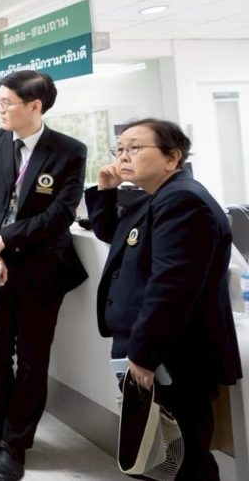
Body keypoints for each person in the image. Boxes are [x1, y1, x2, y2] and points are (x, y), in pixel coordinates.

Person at [86, 118, 241, 481]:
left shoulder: (183, 200)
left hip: (175, 354)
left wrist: (143, 354)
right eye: (120, 149)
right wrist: (105, 190)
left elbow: (172, 288)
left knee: (183, 457)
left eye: (135, 148)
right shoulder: (158, 197)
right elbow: (117, 236)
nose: (123, 156)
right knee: (160, 456)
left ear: (172, 158)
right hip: (156, 350)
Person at [0, 70, 88, 481]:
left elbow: (60, 213)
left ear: (35, 106)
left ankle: (16, 443)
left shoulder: (69, 150)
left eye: (7, 102)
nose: (0, 109)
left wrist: (4, 240)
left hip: (42, 268)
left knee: (33, 361)